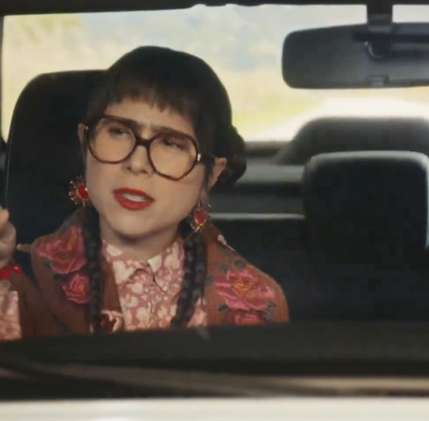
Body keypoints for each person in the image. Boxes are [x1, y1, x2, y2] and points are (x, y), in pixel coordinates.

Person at [0, 46, 288, 339]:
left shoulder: (254, 304)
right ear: (85, 143)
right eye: (118, 132)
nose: (137, 163)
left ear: (211, 174)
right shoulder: (22, 280)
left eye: (171, 143)